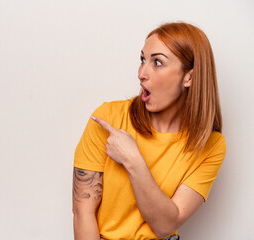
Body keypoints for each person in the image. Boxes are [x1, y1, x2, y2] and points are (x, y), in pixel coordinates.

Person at [72, 22, 226, 240]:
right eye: (143, 60)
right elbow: (82, 213)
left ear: (189, 77)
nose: (141, 73)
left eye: (158, 62)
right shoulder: (108, 119)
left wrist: (133, 160)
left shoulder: (210, 144)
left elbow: (165, 225)